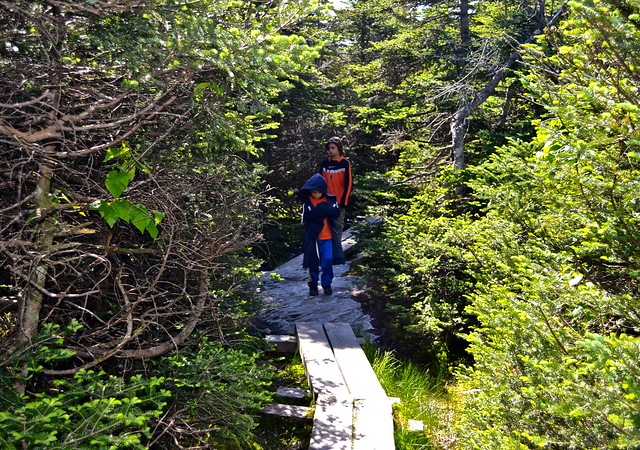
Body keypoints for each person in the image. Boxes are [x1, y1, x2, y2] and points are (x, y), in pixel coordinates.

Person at [298, 173, 345, 296]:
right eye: (313, 192)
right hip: (313, 237)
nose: (316, 194)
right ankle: (313, 284)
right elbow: (306, 218)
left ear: (323, 191)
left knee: (327, 260)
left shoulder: (330, 199)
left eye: (318, 192)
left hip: (328, 236)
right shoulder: (307, 202)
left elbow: (335, 213)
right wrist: (324, 210)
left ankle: (326, 283)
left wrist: (318, 211)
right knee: (312, 261)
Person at [319, 136, 352, 240]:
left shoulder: (345, 163)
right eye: (329, 148)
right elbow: (319, 182)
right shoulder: (325, 163)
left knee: (337, 228)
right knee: (325, 228)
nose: (330, 150)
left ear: (339, 148)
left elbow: (348, 183)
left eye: (333, 148)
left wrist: (344, 201)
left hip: (339, 201)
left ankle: (337, 253)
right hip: (325, 201)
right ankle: (326, 252)